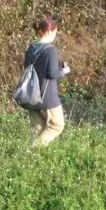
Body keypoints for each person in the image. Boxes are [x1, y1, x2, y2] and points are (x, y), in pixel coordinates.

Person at [24, 16, 70, 149]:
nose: (55, 36)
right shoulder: (50, 50)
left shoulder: (31, 47)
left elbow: (27, 68)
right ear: (50, 32)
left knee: (38, 129)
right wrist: (64, 70)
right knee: (56, 126)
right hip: (47, 98)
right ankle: (32, 151)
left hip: (30, 96)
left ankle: (32, 161)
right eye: (55, 32)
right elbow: (52, 74)